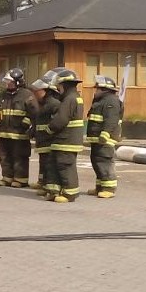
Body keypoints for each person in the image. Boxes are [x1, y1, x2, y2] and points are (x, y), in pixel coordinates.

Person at [46, 68, 85, 203]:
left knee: (65, 166)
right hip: (68, 140)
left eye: (59, 86)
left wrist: (50, 129)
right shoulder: (75, 98)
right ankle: (56, 191)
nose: (58, 89)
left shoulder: (69, 99)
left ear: (65, 85)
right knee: (59, 165)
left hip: (66, 140)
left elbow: (61, 119)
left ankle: (69, 194)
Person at [0, 68, 37, 188]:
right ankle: (7, 177)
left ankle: (20, 179)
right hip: (4, 132)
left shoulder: (27, 95)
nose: (8, 84)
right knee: (4, 156)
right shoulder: (3, 95)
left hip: (20, 133)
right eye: (7, 82)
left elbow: (34, 112)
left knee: (19, 157)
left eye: (10, 82)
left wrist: (26, 122)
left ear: (18, 82)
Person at [31, 73, 61, 198]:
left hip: (49, 139)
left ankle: (48, 186)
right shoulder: (44, 103)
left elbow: (55, 122)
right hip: (42, 139)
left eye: (38, 91)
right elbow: (39, 120)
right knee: (43, 163)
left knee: (48, 163)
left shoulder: (53, 104)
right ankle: (43, 183)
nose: (36, 93)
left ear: (46, 91)